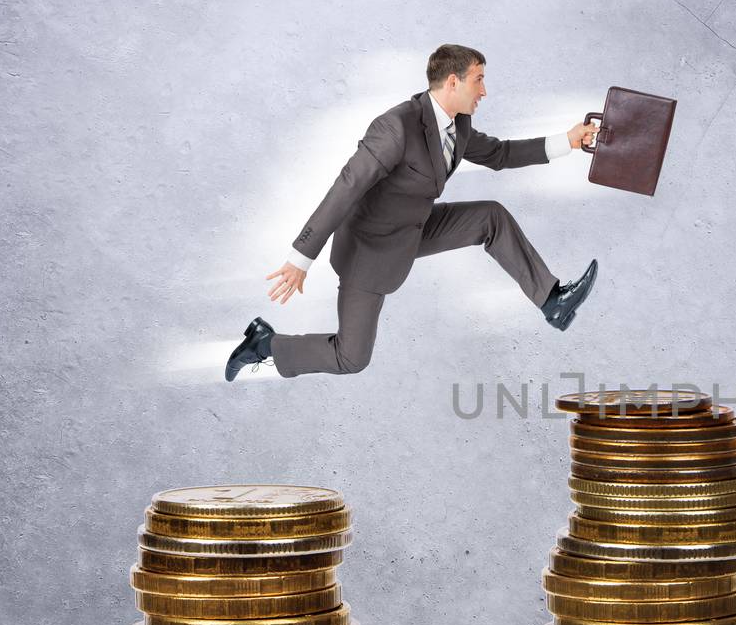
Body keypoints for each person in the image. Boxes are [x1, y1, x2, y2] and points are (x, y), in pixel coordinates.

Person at [225, 43, 599, 380]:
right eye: (479, 80)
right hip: (369, 249)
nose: (484, 91)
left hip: (415, 226)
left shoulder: (459, 124)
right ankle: (265, 343)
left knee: (491, 217)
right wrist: (300, 256)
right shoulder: (396, 127)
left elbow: (499, 154)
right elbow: (348, 185)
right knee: (351, 357)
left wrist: (567, 141)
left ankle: (553, 302)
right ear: (453, 82)